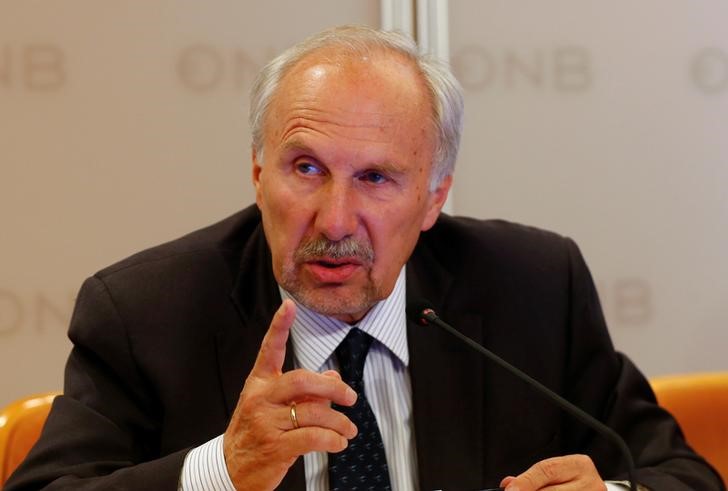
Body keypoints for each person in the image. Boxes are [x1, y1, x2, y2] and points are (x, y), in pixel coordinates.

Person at [6, 25, 724, 491]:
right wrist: (219, 471)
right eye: (307, 168)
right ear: (259, 173)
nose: (335, 220)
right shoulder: (146, 312)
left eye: (376, 178)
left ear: (435, 195)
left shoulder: (533, 286)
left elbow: (682, 475)